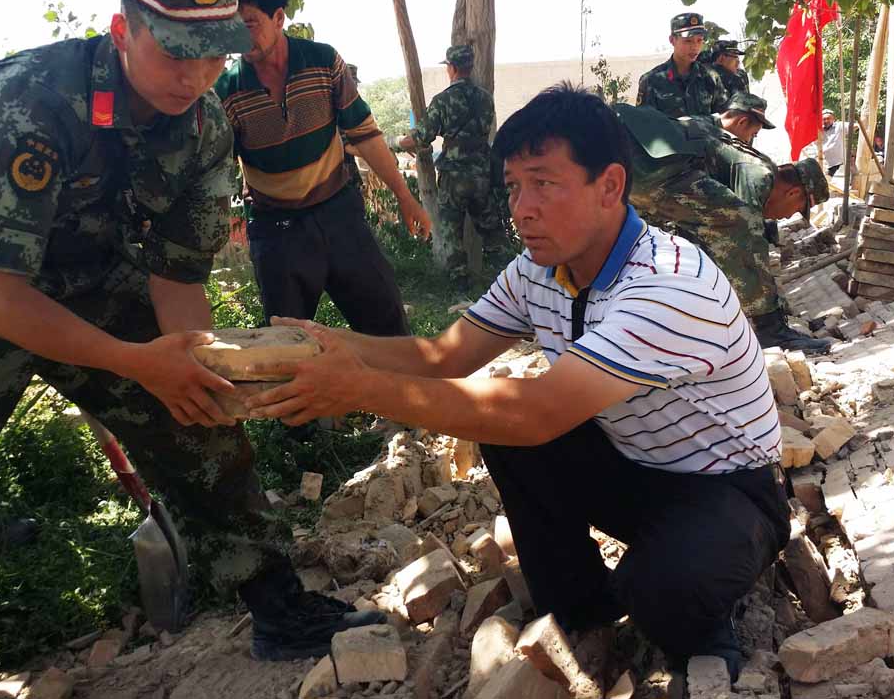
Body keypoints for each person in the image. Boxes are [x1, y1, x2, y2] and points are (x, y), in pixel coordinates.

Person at [0, 0, 383, 699]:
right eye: (176, 52)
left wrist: (187, 360)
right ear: (123, 30)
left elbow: (176, 277)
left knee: (201, 418)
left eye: (215, 54)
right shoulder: (34, 101)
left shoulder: (207, 127)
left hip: (94, 278)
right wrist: (135, 361)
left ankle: (276, 602)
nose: (196, 75)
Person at [244, 85, 791, 681]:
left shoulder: (666, 284)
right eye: (513, 187)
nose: (521, 207)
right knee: (503, 432)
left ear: (610, 185)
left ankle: (699, 611)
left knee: (662, 594)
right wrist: (331, 345)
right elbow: (445, 356)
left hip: (728, 491)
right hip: (636, 469)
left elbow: (535, 412)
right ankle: (581, 608)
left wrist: (356, 387)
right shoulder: (540, 267)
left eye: (543, 183)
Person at [215, 0, 431, 335]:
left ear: (279, 17)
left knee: (389, 332)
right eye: (232, 24)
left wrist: (405, 197)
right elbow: (216, 168)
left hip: (339, 214)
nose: (239, 34)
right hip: (276, 228)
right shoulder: (227, 89)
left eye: (249, 22)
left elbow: (364, 135)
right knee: (286, 344)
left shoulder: (323, 61)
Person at [617, 101, 832, 355]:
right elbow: (747, 239)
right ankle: (770, 330)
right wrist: (773, 311)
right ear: (793, 192)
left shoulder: (752, 166)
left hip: (627, 155)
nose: (786, 217)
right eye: (797, 209)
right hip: (649, 166)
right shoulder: (760, 175)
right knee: (737, 223)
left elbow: (709, 230)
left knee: (689, 240)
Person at [391, 44, 508, 282]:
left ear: (452, 68)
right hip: (482, 176)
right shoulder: (486, 99)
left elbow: (421, 136)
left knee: (451, 235)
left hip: (454, 179)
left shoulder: (443, 101)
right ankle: (510, 282)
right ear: (470, 66)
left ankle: (460, 288)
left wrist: (391, 143)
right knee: (493, 234)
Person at [636, 12, 729, 118]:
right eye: (688, 41)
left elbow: (723, 119)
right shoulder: (651, 81)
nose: (695, 47)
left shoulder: (711, 78)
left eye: (699, 40)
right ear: (672, 40)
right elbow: (643, 125)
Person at [820, 109, 849, 177]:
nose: (826, 121)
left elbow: (853, 126)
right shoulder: (820, 129)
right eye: (824, 119)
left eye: (828, 119)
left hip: (838, 162)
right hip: (825, 162)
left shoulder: (839, 126)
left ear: (833, 119)